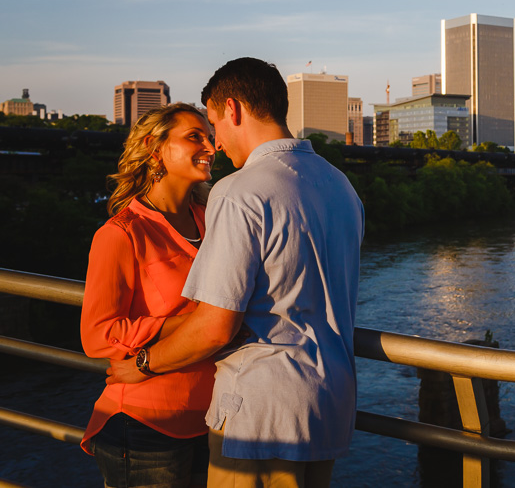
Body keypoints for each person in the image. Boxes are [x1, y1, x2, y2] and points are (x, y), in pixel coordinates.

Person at [108, 57, 365, 488]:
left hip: (262, 412)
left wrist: (144, 364)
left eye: (214, 125)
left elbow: (213, 326)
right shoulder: (341, 185)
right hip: (330, 404)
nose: (217, 144)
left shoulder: (239, 191)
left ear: (233, 109)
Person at [81, 102, 217, 488]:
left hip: (215, 417)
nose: (210, 146)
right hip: (146, 425)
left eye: (210, 137)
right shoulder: (122, 233)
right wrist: (191, 324)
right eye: (195, 137)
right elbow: (97, 334)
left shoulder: (216, 219)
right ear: (155, 149)